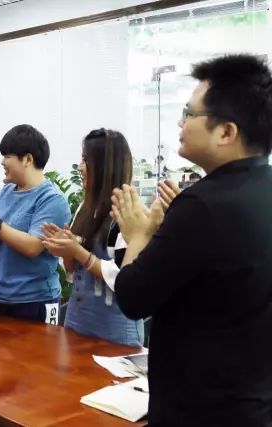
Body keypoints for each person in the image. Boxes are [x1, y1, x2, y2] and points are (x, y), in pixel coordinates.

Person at [112, 54, 272, 426]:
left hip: (198, 409)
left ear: (226, 132)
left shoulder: (202, 204)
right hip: (253, 403)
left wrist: (138, 235)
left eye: (189, 113)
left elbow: (133, 297)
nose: (180, 123)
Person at [41, 128, 143, 347]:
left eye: (85, 160)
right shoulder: (85, 209)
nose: (79, 166)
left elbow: (125, 279)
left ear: (105, 166)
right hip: (77, 322)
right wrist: (65, 249)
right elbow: (73, 271)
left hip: (114, 331)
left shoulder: (128, 214)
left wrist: (78, 251)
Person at [0, 124, 71, 323]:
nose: (2, 162)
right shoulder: (6, 192)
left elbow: (33, 247)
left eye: (7, 156)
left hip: (35, 300)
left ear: (27, 159)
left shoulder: (52, 199)